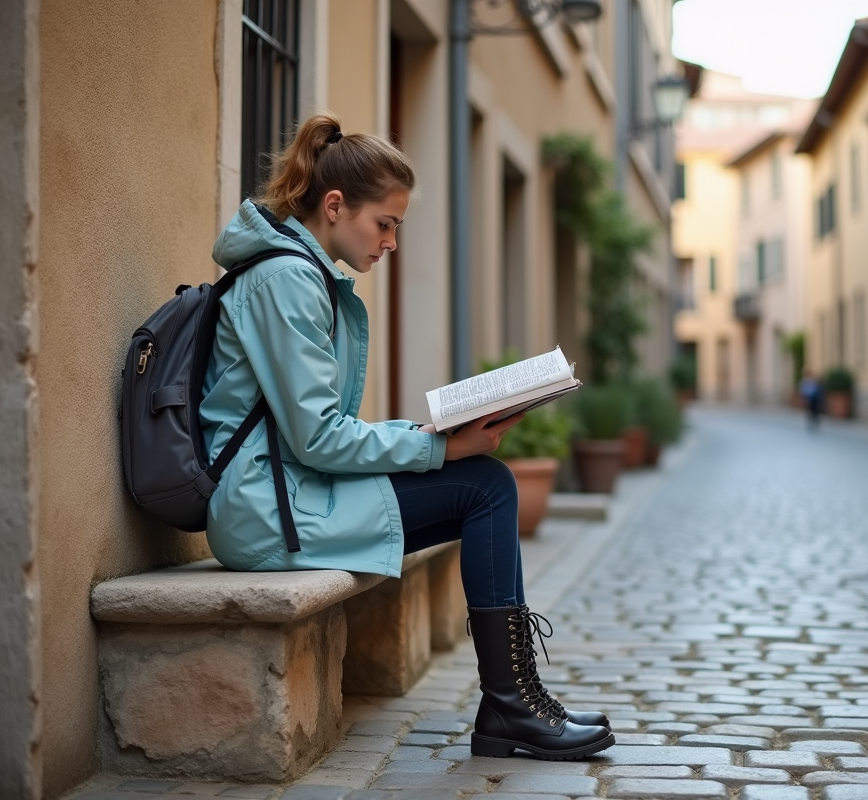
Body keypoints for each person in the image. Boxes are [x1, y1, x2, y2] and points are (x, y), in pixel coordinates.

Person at [199, 113, 613, 761]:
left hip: (292, 494)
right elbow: (318, 440)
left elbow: (314, 435)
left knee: (485, 484)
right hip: (267, 510)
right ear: (334, 206)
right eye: (384, 224)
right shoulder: (285, 281)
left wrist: (425, 434)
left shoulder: (301, 275)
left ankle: (516, 702)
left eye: (396, 227)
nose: (391, 243)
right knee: (485, 486)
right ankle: (511, 706)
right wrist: (439, 447)